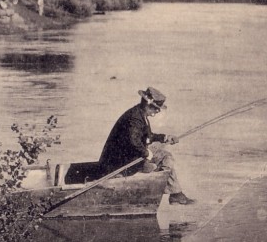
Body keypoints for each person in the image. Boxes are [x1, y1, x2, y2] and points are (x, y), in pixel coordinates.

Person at [65, 87, 195, 205]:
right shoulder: (135, 118)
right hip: (118, 163)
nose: (157, 111)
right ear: (148, 105)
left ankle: (174, 193)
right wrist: (146, 153)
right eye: (156, 108)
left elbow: (148, 137)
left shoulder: (140, 114)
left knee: (165, 155)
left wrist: (165, 137)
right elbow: (134, 141)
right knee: (164, 157)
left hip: (127, 156)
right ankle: (166, 188)